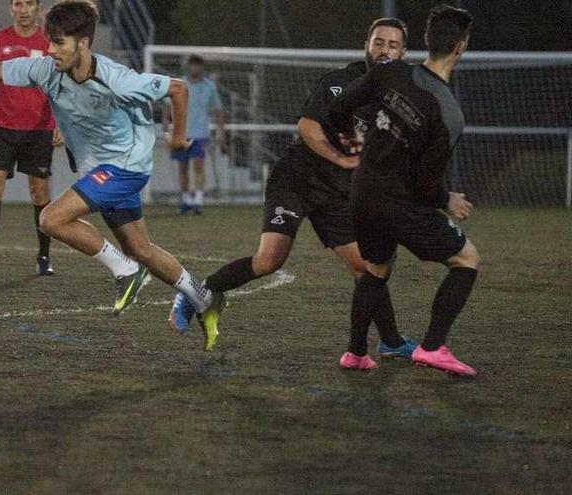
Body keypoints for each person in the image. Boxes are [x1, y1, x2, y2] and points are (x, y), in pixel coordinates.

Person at [0, 1, 225, 350]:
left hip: (126, 167)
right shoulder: (45, 70)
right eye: (49, 41)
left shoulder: (116, 78)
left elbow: (178, 88)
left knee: (51, 218)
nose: (50, 50)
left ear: (83, 43)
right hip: (100, 169)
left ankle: (126, 271)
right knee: (140, 248)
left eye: (59, 43)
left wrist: (178, 138)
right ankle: (202, 296)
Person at [169, 18, 414, 360]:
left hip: (337, 194)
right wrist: (341, 160)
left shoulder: (399, 99)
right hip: (296, 180)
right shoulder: (341, 83)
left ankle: (391, 340)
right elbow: (308, 126)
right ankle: (198, 291)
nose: (384, 50)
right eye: (379, 42)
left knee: (365, 266)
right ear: (367, 45)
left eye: (393, 45)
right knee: (269, 260)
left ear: (403, 52)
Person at [325, 5, 479, 375]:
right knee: (467, 259)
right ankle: (433, 346)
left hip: (362, 194)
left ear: (426, 41)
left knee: (375, 269)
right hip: (399, 204)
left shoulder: (389, 73)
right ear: (460, 47)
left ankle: (356, 353)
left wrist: (352, 136)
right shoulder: (449, 114)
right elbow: (426, 186)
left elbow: (338, 109)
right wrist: (448, 199)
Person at [0, 0, 61, 277]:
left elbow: (61, 84)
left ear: (37, 8)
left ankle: (43, 255)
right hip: (1, 128)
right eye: (19, 3)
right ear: (11, 8)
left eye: (30, 3)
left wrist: (63, 122)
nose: (24, 8)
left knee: (39, 192)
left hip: (39, 129)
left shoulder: (49, 41)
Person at [162, 55, 225, 214]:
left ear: (201, 67)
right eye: (192, 65)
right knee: (183, 168)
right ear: (189, 67)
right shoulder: (180, 84)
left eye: (197, 65)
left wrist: (220, 131)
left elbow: (218, 110)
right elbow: (168, 107)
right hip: (180, 132)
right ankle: (185, 200)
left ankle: (198, 200)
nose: (195, 68)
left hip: (200, 133)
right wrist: (166, 127)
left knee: (198, 165)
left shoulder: (209, 86)